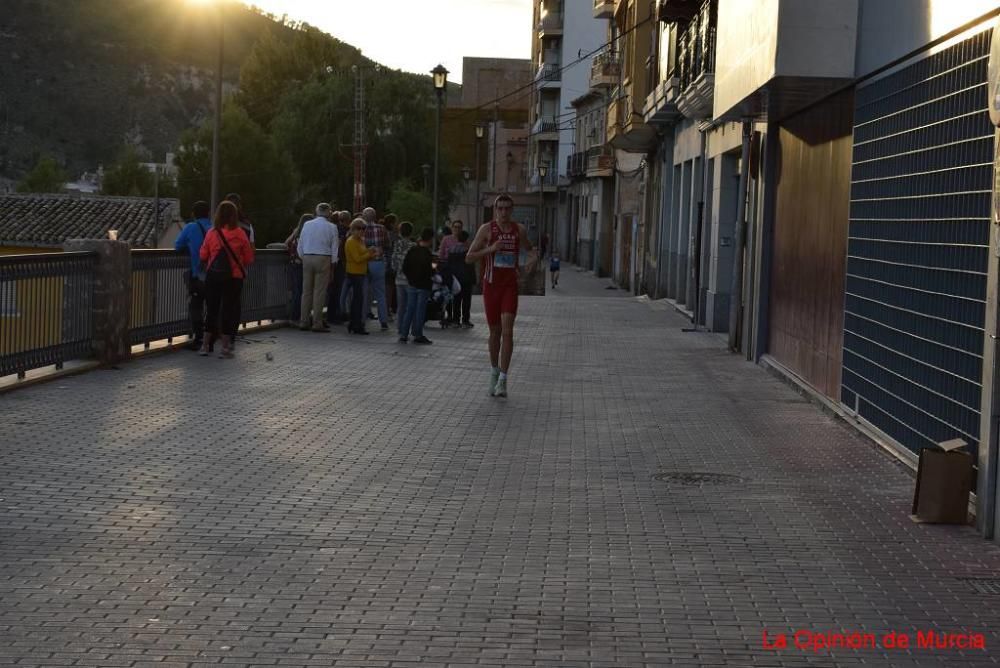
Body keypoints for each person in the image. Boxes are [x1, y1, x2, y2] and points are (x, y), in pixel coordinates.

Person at [466, 193, 535, 397]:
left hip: (509, 287)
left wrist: (531, 260)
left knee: (508, 332)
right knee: (495, 332)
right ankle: (494, 370)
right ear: (495, 210)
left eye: (507, 209)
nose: (504, 212)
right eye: (500, 208)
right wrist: (490, 249)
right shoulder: (486, 230)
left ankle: (504, 379)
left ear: (512, 210)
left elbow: (530, 249)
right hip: (491, 286)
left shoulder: (518, 230)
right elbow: (469, 257)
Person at [198, 200, 255, 358]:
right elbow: (249, 258)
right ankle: (225, 348)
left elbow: (203, 255)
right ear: (234, 215)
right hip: (233, 278)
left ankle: (204, 346)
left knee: (212, 310)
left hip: (213, 276)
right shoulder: (240, 233)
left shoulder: (212, 233)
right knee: (228, 311)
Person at [174, 200, 213, 351]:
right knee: (212, 307)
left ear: (193, 214)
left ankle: (199, 338)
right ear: (209, 213)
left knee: (196, 306)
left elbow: (178, 245)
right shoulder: (214, 229)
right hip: (215, 276)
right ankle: (211, 338)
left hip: (198, 276)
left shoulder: (191, 227)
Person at [297, 203, 340, 332]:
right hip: (323, 257)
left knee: (306, 292)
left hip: (308, 257)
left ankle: (304, 321)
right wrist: (333, 263)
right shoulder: (332, 227)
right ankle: (317, 323)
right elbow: (335, 247)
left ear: (316, 211)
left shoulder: (307, 224)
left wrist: (303, 256)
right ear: (329, 213)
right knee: (319, 292)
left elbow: (301, 243)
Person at [399, 227, 434, 345]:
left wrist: (410, 278)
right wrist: (434, 269)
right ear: (430, 239)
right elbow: (431, 270)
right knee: (420, 310)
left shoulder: (412, 250)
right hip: (424, 285)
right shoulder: (428, 254)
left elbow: (405, 267)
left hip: (412, 284)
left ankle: (404, 334)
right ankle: (418, 334)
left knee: (409, 309)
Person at [344, 218, 377, 335]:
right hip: (354, 273)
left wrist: (370, 252)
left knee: (359, 300)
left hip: (361, 273)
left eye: (364, 229)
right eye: (359, 229)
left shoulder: (360, 241)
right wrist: (369, 254)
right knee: (358, 300)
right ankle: (356, 325)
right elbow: (357, 259)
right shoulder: (351, 241)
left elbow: (363, 254)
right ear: (353, 229)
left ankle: (354, 324)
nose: (362, 231)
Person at [362, 207, 391, 330]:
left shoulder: (361, 228)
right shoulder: (381, 228)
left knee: (364, 292)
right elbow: (388, 245)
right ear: (374, 216)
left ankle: (362, 320)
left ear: (364, 216)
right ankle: (383, 321)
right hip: (379, 263)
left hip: (364, 263)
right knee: (380, 293)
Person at [285, 213, 311, 323]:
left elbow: (286, 243)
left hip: (293, 263)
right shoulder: (306, 234)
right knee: (301, 291)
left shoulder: (296, 232)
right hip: (301, 264)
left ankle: (295, 315)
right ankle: (296, 316)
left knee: (297, 290)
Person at [392, 221, 416, 340]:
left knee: (401, 305)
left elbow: (394, 261)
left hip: (399, 279)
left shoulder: (397, 244)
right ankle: (408, 328)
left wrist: (396, 270)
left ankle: (400, 327)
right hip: (410, 279)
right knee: (410, 306)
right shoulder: (413, 246)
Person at [326, 210, 350, 325]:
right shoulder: (343, 231)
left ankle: (333, 314)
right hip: (339, 262)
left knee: (333, 289)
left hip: (331, 261)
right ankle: (334, 314)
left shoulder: (332, 230)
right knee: (337, 289)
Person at [438, 220, 464, 323]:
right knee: (448, 292)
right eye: (455, 227)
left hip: (460, 269)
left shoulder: (464, 239)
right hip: (448, 268)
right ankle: (449, 315)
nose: (457, 229)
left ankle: (457, 317)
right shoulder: (446, 239)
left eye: (459, 227)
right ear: (452, 228)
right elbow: (441, 253)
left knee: (458, 293)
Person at [448, 229, 474, 327]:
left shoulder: (451, 250)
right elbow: (470, 266)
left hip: (455, 278)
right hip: (466, 278)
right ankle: (465, 320)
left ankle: (455, 320)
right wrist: (473, 279)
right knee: (466, 300)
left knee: (456, 299)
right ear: (466, 239)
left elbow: (449, 264)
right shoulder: (468, 251)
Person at [384, 214, 399, 318]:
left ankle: (386, 309)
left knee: (387, 288)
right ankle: (387, 310)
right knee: (389, 288)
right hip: (391, 264)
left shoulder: (384, 232)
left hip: (385, 262)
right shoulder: (393, 235)